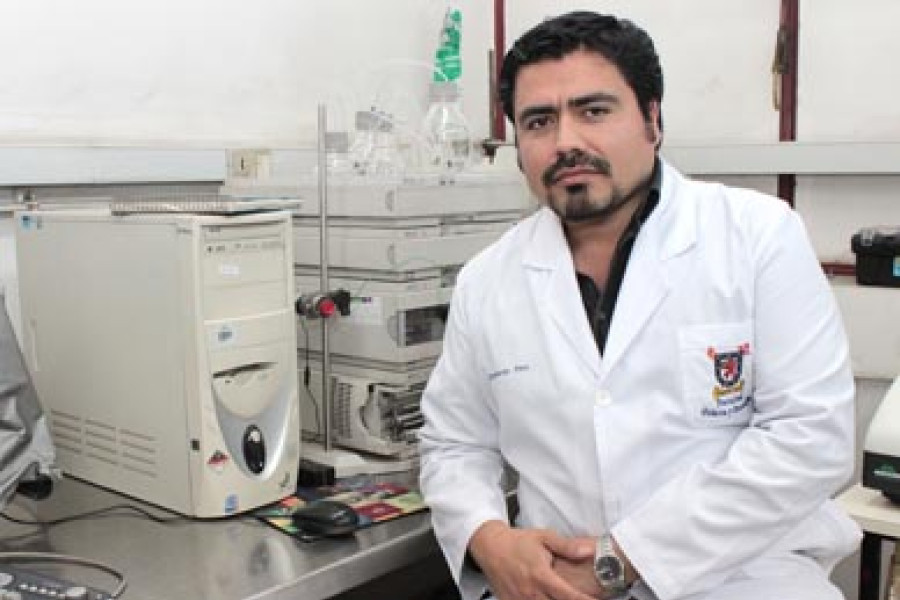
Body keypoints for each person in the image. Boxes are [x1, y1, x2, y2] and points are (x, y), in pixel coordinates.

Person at [418, 10, 861, 600]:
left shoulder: (756, 236)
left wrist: (622, 558)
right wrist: (488, 536)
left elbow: (809, 437)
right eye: (539, 121)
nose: (566, 141)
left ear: (653, 120)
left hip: (743, 578)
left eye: (593, 111)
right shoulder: (487, 280)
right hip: (555, 583)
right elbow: (454, 443)